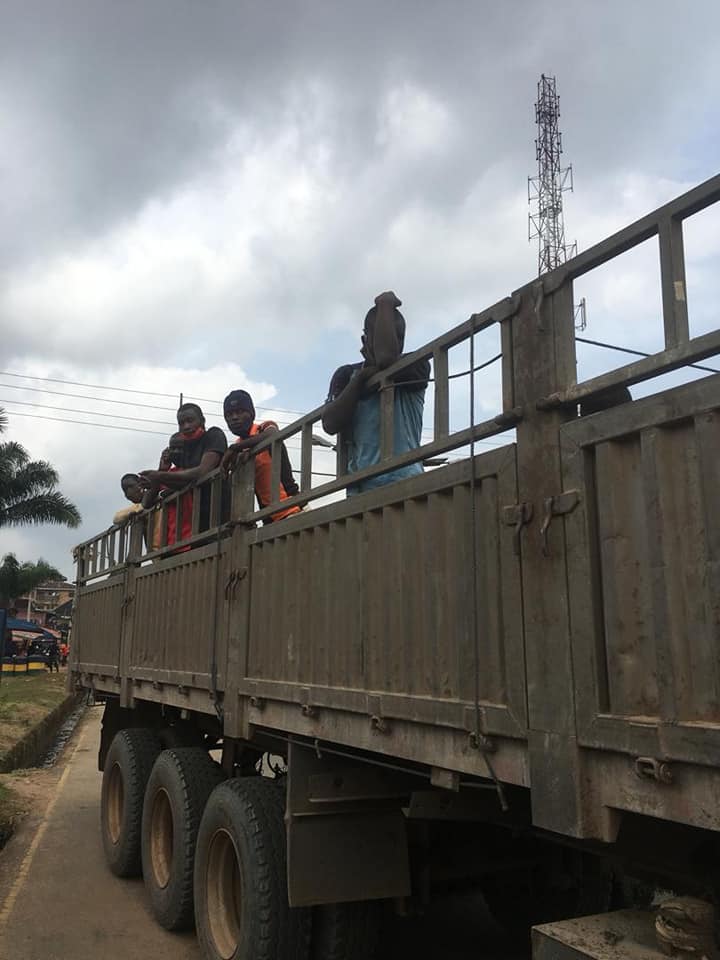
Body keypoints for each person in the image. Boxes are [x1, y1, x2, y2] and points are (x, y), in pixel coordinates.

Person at [322, 291, 430, 495]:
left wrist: (385, 303)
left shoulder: (416, 364)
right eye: (386, 334)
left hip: (408, 483)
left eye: (400, 337)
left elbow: (386, 358)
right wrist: (361, 379)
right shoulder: (347, 374)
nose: (395, 342)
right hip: (361, 490)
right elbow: (329, 424)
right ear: (365, 339)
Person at [140, 403, 227, 544]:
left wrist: (159, 476)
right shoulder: (185, 451)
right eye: (181, 423)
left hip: (218, 521)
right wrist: (160, 472)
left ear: (202, 421)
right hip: (195, 530)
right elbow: (147, 503)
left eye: (190, 420)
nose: (186, 426)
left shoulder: (213, 435)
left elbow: (202, 471)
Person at [221, 390, 301, 522]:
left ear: (251, 414)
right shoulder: (238, 448)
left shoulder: (264, 428)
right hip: (269, 519)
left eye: (240, 412)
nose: (234, 417)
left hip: (293, 509)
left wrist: (235, 448)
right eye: (229, 414)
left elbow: (273, 434)